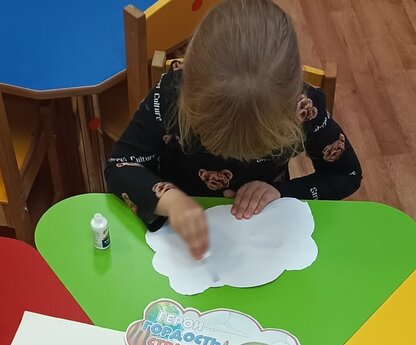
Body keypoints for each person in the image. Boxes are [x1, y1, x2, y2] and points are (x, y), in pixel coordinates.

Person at [104, 0, 362, 259]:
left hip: (261, 233)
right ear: (189, 95)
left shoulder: (303, 109)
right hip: (177, 232)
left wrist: (281, 193)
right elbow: (120, 166)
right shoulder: (171, 94)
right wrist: (171, 201)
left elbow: (346, 174)